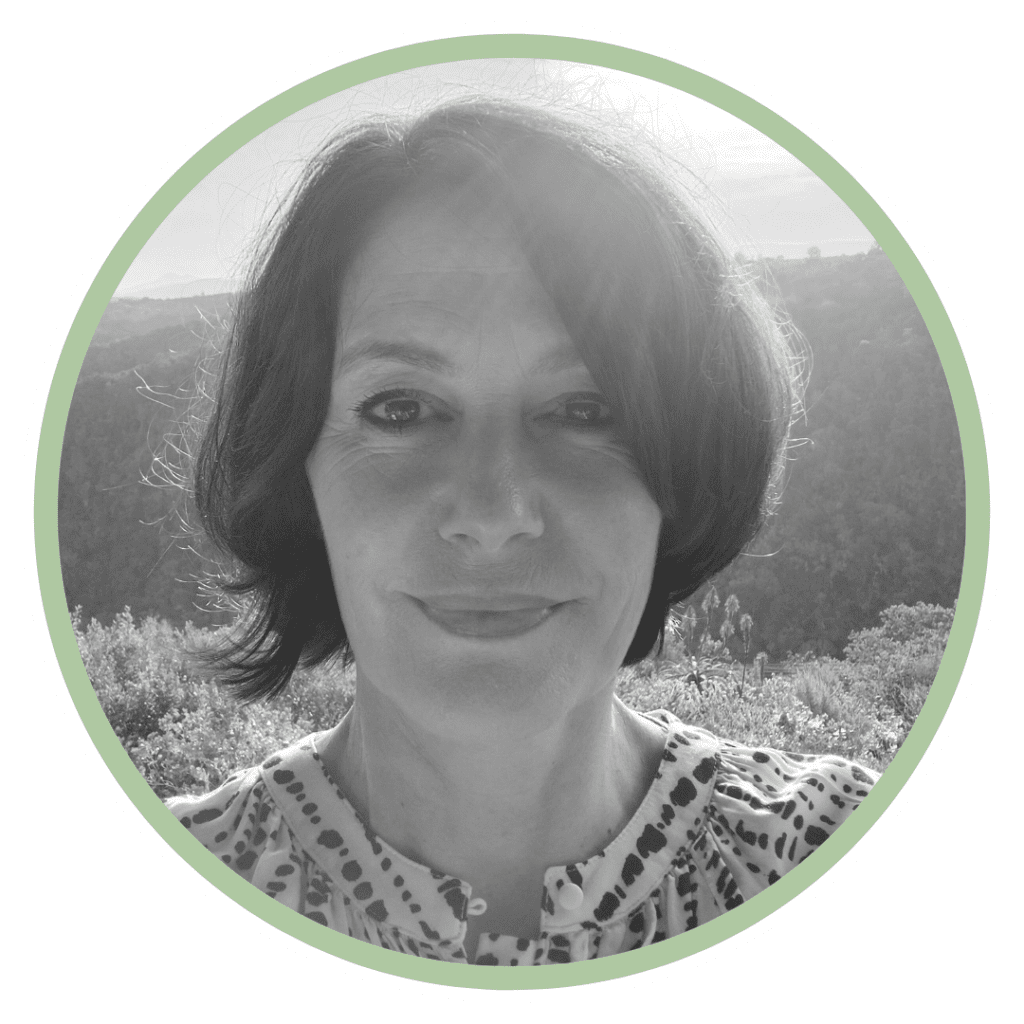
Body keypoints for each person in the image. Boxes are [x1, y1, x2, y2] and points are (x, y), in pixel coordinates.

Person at [167, 98, 877, 965]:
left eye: (585, 409)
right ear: (297, 466)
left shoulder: (840, 849)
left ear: (686, 466)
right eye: (401, 409)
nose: (493, 512)